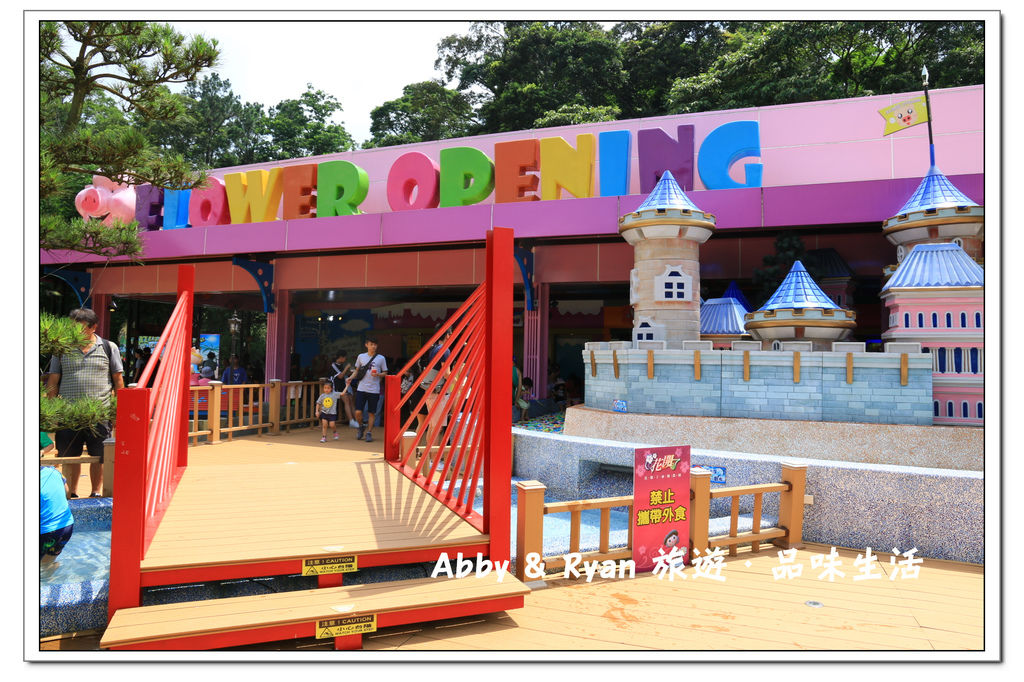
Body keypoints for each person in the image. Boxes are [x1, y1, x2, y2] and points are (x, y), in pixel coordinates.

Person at [45, 308, 124, 498]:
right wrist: (52, 412)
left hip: (99, 413)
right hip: (68, 414)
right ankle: (71, 492)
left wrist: (117, 411)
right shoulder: (61, 349)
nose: (74, 332)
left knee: (100, 456)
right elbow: (53, 381)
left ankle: (95, 492)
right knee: (68, 456)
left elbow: (118, 381)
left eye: (79, 327)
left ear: (93, 327)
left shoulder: (109, 347)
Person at [349, 337, 387, 443]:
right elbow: (356, 370)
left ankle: (369, 432)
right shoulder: (361, 356)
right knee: (358, 412)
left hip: (374, 389)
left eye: (375, 344)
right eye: (371, 344)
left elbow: (385, 372)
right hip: (361, 388)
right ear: (366, 345)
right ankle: (361, 426)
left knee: (371, 413)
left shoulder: (381, 358)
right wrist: (350, 378)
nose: (373, 346)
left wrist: (378, 374)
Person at [40, 465, 74, 568]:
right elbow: (67, 490)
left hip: (46, 532)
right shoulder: (53, 471)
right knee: (46, 565)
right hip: (66, 527)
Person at [330, 351, 358, 428]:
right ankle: (351, 421)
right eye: (345, 357)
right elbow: (340, 376)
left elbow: (344, 374)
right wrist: (346, 368)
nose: (345, 359)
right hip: (337, 387)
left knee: (351, 400)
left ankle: (357, 421)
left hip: (344, 386)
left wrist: (350, 373)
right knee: (347, 401)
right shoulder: (333, 365)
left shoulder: (341, 365)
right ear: (341, 357)